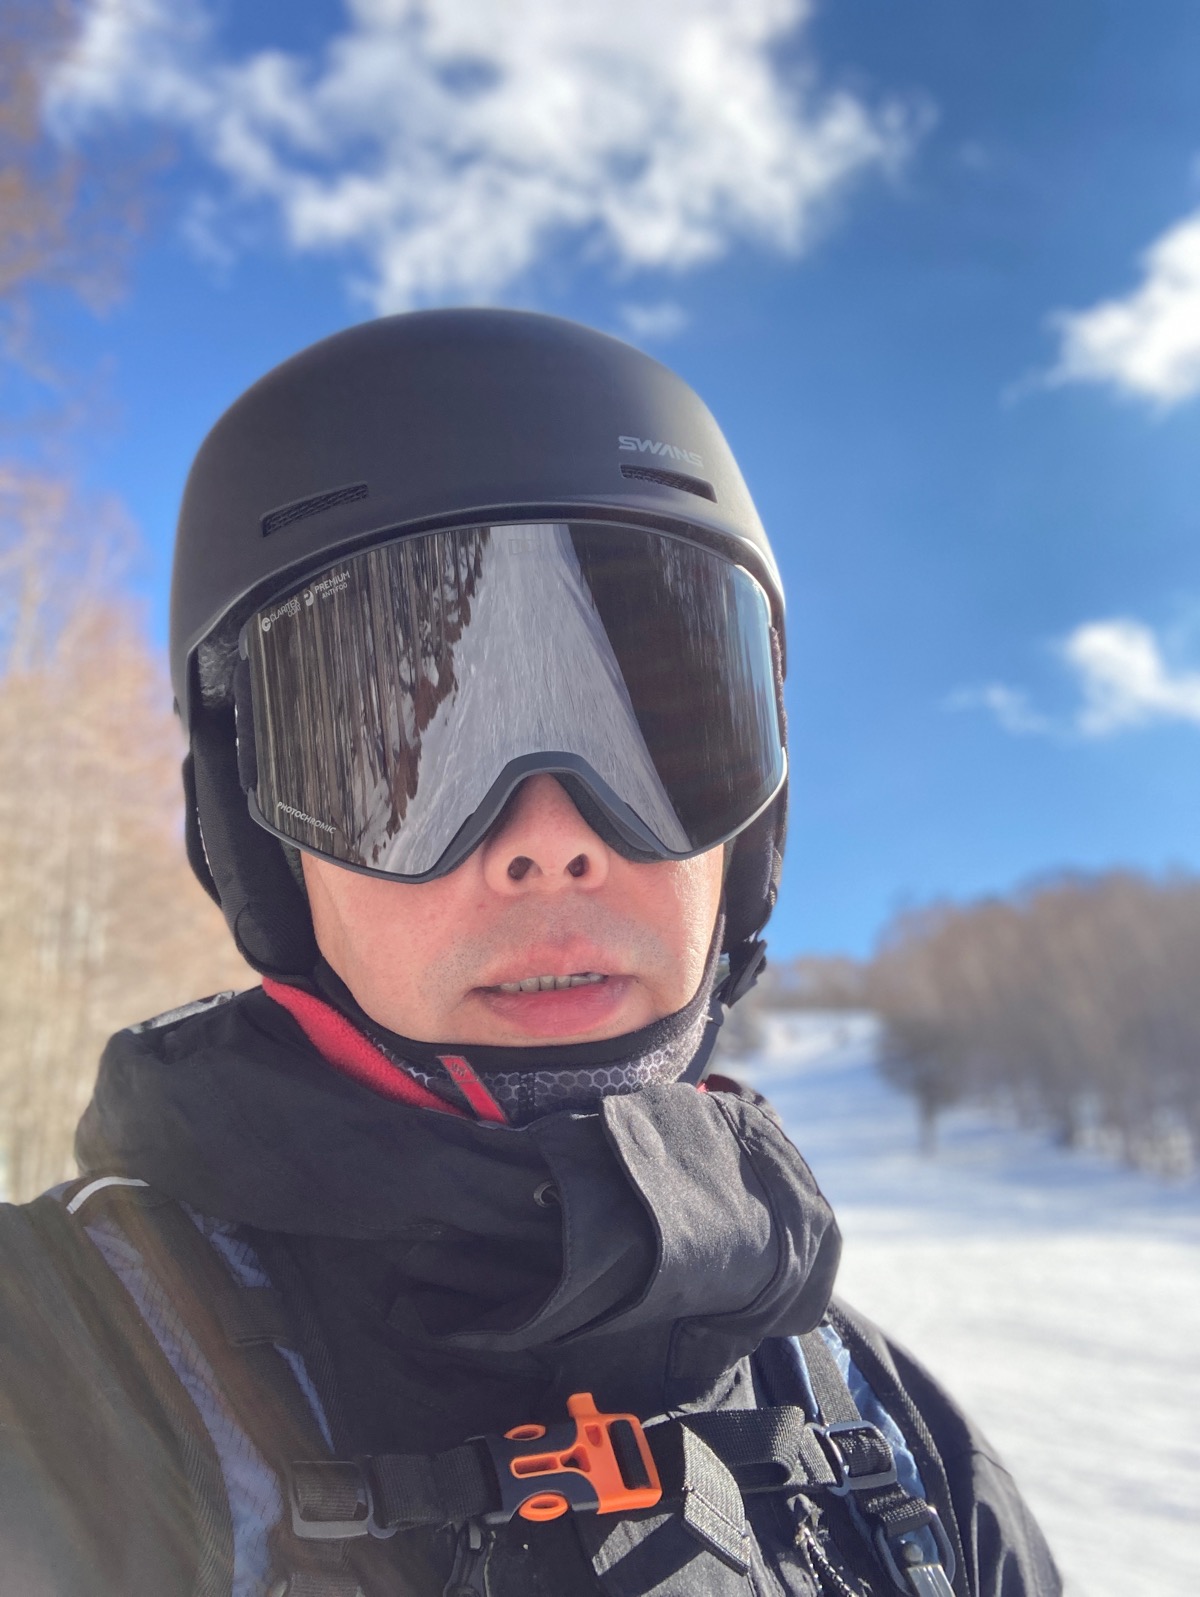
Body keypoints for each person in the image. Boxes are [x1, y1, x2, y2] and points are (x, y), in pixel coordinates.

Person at [0, 310, 1060, 1597]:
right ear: (257, 844)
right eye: (398, 763)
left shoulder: (897, 1447)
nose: (550, 842)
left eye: (661, 739)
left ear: (751, 833)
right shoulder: (56, 1383)